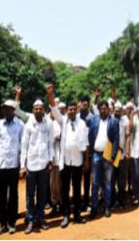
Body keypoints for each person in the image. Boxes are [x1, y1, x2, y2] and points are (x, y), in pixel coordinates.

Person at [47, 85, 89, 228]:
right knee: (65, 190)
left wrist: (86, 160)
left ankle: (77, 215)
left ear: (76, 110)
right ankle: (66, 215)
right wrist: (50, 94)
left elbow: (86, 143)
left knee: (77, 189)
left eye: (73, 109)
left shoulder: (82, 123)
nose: (71, 111)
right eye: (69, 109)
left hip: (77, 161)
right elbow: (53, 108)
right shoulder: (62, 120)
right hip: (65, 161)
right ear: (67, 111)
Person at [0, 100, 24, 236]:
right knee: (1, 196)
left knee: (13, 195)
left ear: (13, 110)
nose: (7, 111)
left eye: (10, 109)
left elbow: (23, 145)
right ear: (3, 110)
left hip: (13, 165)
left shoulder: (20, 125)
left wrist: (22, 165)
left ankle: (12, 223)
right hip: (0, 165)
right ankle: (2, 224)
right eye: (5, 109)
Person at [20, 100, 54, 234]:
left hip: (44, 165)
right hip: (31, 166)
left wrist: (50, 161)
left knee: (42, 194)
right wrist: (23, 165)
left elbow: (50, 143)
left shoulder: (48, 124)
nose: (38, 110)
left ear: (44, 110)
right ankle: (30, 220)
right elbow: (24, 146)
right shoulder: (28, 125)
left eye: (40, 108)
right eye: (36, 108)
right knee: (30, 194)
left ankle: (40, 218)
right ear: (33, 110)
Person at [87, 101, 120, 219]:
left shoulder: (114, 121)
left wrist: (113, 156)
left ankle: (107, 207)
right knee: (95, 183)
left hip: (108, 156)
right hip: (96, 155)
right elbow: (89, 133)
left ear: (109, 109)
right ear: (99, 109)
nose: (103, 110)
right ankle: (94, 208)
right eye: (101, 108)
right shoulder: (94, 120)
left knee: (107, 183)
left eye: (105, 108)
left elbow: (116, 140)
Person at [112, 102, 130, 208]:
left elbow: (127, 137)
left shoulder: (125, 121)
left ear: (121, 111)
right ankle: (113, 201)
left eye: (119, 111)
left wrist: (127, 151)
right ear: (113, 110)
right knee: (112, 178)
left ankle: (122, 200)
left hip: (121, 154)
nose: (117, 112)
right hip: (113, 155)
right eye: (115, 111)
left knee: (122, 179)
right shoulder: (110, 120)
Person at [78, 96, 93, 212]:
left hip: (88, 153)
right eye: (82, 105)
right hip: (77, 154)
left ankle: (87, 201)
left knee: (87, 180)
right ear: (80, 105)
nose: (84, 106)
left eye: (86, 105)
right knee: (77, 180)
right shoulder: (76, 117)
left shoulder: (92, 118)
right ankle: (78, 202)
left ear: (88, 105)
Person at [49, 111, 62, 216]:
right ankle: (54, 204)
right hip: (52, 159)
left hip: (62, 159)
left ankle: (62, 204)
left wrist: (60, 137)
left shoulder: (63, 123)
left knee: (62, 183)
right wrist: (55, 137)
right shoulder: (50, 124)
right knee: (53, 183)